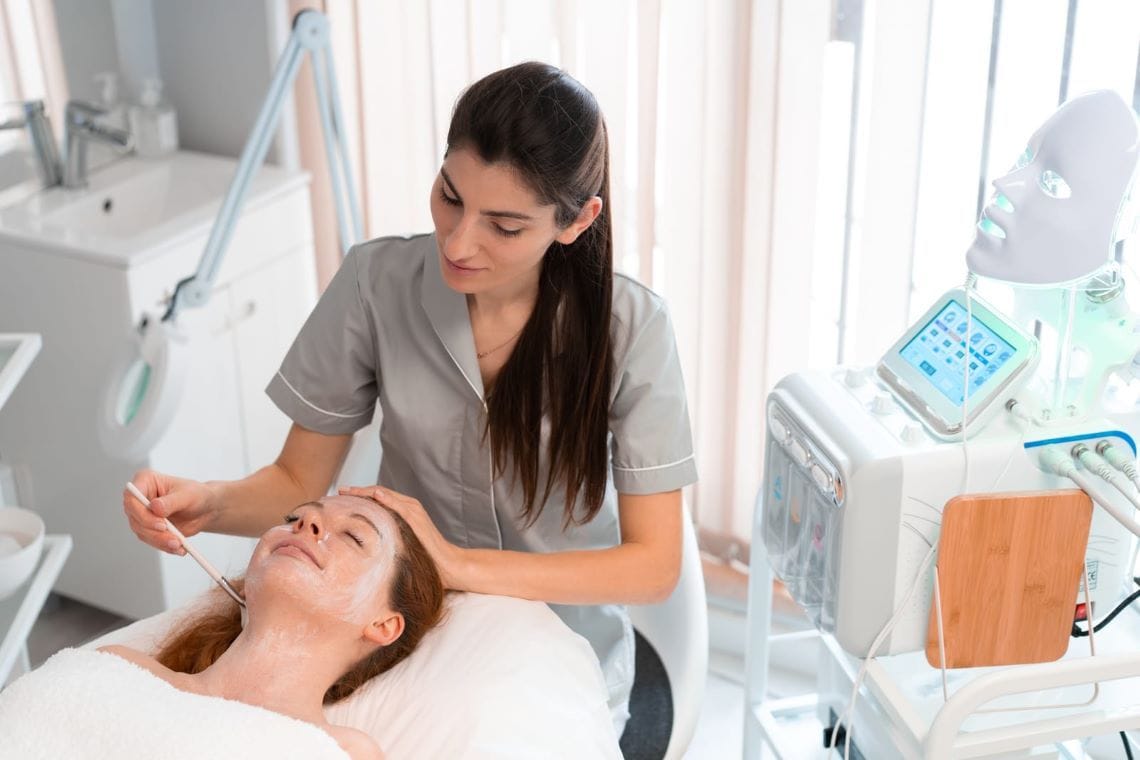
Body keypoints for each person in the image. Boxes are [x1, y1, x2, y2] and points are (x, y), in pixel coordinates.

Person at [123, 60, 697, 737]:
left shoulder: (633, 332)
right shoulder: (374, 284)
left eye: (504, 227)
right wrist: (206, 505)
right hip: (394, 634)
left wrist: (459, 566)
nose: (458, 241)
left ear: (576, 221)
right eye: (450, 195)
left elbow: (654, 567)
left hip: (558, 653)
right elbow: (298, 482)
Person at [100, 494, 440, 759]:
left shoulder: (340, 751)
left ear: (383, 625)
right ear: (246, 584)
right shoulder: (118, 669)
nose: (306, 523)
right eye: (295, 517)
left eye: (353, 536)